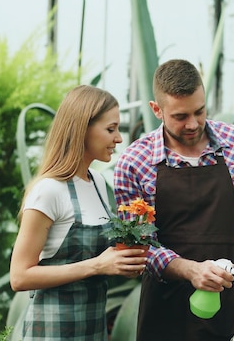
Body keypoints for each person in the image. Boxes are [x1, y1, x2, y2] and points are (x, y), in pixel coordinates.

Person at [113, 59, 234, 341]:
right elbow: (137, 246)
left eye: (199, 111)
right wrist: (190, 270)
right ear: (157, 110)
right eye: (180, 116)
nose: (193, 124)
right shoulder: (134, 162)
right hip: (164, 309)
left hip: (229, 302)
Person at [9, 85, 147, 340]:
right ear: (82, 128)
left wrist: (123, 262)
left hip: (92, 330)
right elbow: (19, 277)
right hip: (51, 332)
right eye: (110, 129)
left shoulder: (98, 183)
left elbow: (103, 260)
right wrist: (97, 265)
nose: (118, 138)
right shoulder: (49, 190)